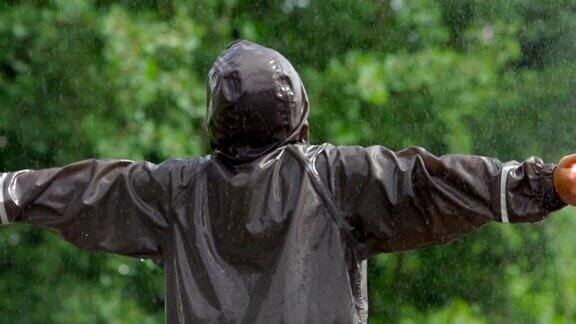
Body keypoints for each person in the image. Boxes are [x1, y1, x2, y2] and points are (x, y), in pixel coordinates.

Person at [1, 39, 576, 324]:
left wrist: (9, 194)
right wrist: (546, 184)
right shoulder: (337, 180)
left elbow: (82, 191)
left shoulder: (173, 193)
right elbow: (435, 185)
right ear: (298, 109)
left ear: (216, 118)